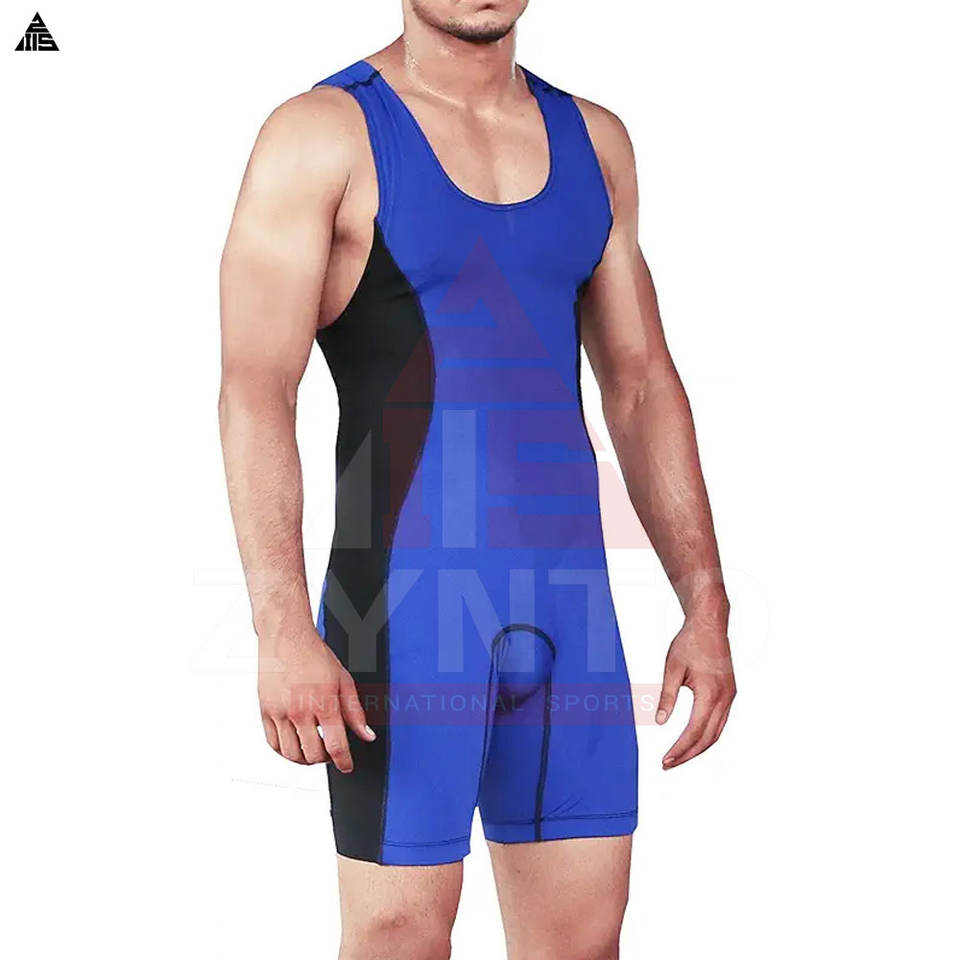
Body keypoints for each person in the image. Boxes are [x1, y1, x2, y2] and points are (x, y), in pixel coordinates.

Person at [219, 2, 736, 957]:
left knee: (584, 940)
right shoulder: (322, 136)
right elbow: (256, 389)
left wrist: (704, 601)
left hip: (570, 617)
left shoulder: (596, 142)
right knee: (400, 935)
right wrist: (281, 625)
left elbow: (641, 383)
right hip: (403, 619)